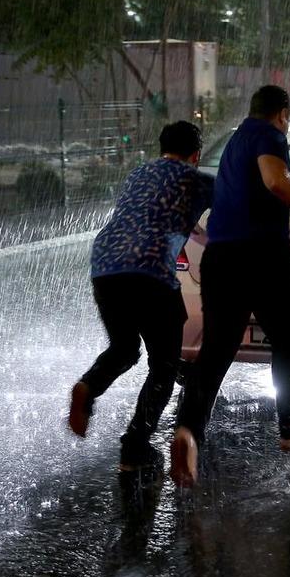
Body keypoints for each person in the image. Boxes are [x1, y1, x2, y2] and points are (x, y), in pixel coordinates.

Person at [169, 85, 290, 487]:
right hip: (264, 257)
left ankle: (188, 430)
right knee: (287, 345)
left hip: (221, 259)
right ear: (283, 114)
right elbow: (275, 180)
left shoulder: (237, 140)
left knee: (215, 352)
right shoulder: (268, 134)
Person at [69, 120, 213, 473]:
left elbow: (149, 212)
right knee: (163, 365)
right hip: (150, 270)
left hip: (106, 264)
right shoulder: (199, 179)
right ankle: (134, 447)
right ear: (196, 155)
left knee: (124, 347)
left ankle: (88, 387)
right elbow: (240, 206)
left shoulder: (138, 174)